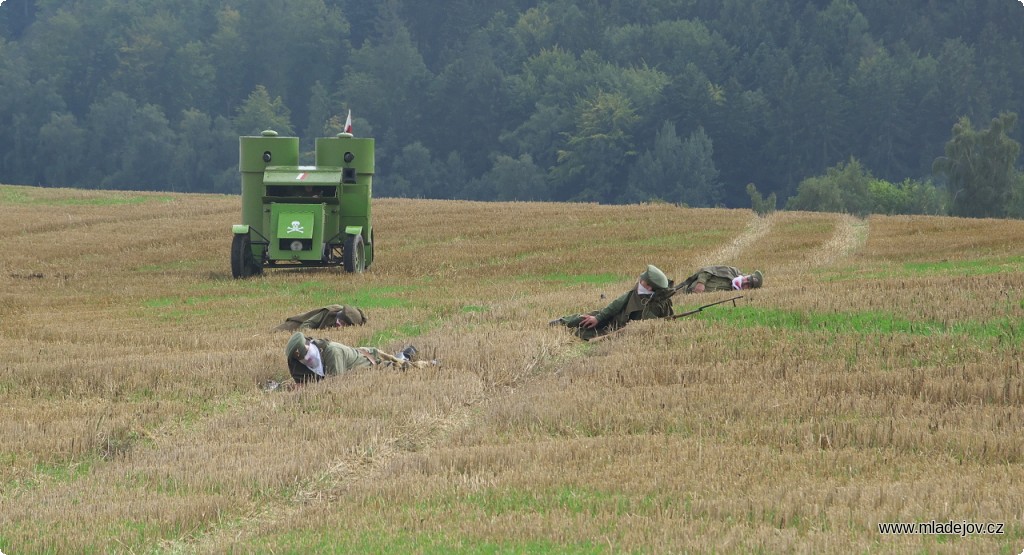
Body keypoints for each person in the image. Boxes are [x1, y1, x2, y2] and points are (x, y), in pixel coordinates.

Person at [551, 264, 675, 341]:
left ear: (650, 287)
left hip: (622, 329)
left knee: (587, 332)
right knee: (585, 319)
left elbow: (663, 322)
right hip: (614, 318)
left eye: (644, 283)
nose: (640, 284)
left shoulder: (660, 303)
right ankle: (561, 323)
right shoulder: (636, 292)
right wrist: (598, 318)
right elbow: (616, 305)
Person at [283, 332, 427, 385]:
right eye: (303, 360)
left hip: (369, 362)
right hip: (359, 357)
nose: (308, 361)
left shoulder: (332, 352)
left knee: (401, 366)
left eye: (308, 356)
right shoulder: (302, 363)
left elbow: (334, 384)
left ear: (311, 347)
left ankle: (420, 360)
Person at [274, 304, 367, 332]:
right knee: (275, 332)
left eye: (343, 325)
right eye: (340, 322)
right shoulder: (328, 312)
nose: (339, 325)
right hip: (298, 323)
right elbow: (306, 325)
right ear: (338, 316)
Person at [677, 266, 762, 294]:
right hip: (685, 291)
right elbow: (706, 270)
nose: (745, 282)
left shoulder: (735, 295)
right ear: (746, 275)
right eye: (747, 279)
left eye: (748, 285)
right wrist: (701, 283)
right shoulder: (731, 272)